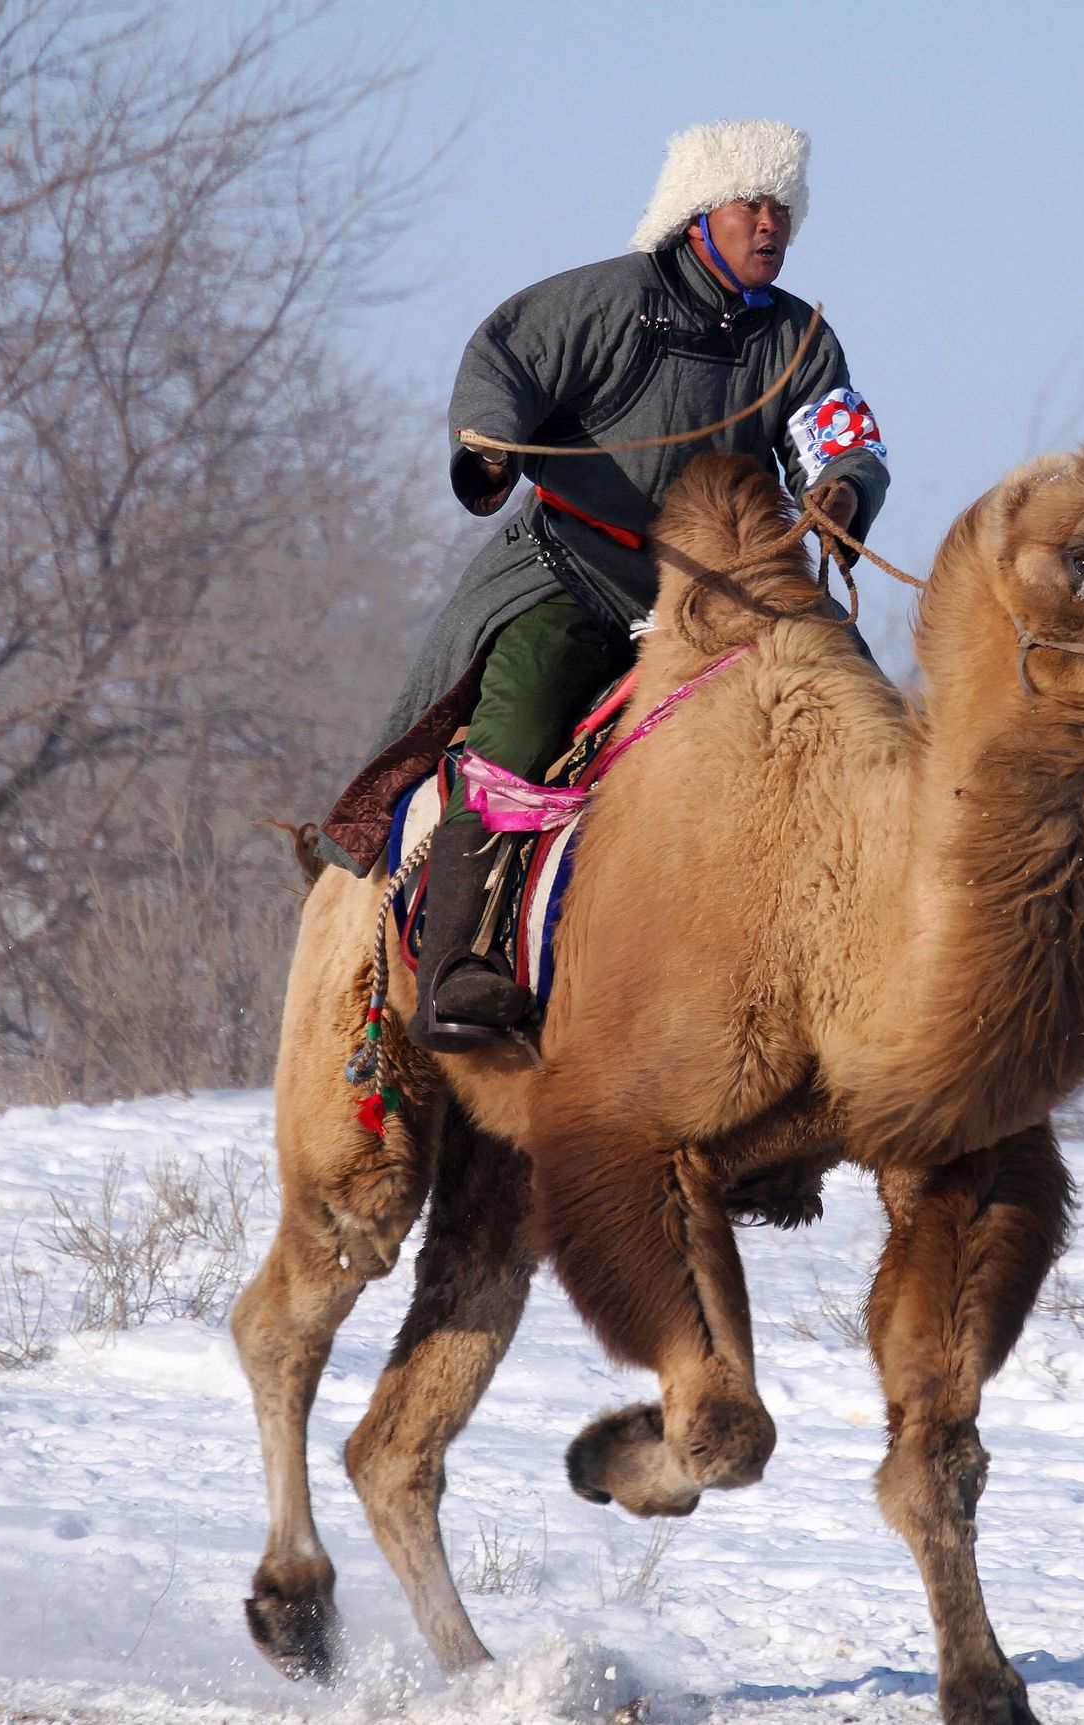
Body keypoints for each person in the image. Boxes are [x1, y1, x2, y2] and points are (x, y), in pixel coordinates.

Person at [315, 120, 891, 1049]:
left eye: (784, 208)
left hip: (728, 596)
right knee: (520, 715)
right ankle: (462, 963)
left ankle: (866, 961)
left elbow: (842, 436)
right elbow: (503, 356)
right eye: (752, 204)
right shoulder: (607, 303)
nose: (771, 224)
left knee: (860, 717)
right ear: (702, 213)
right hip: (576, 570)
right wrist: (491, 445)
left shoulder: (800, 337)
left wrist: (842, 489)